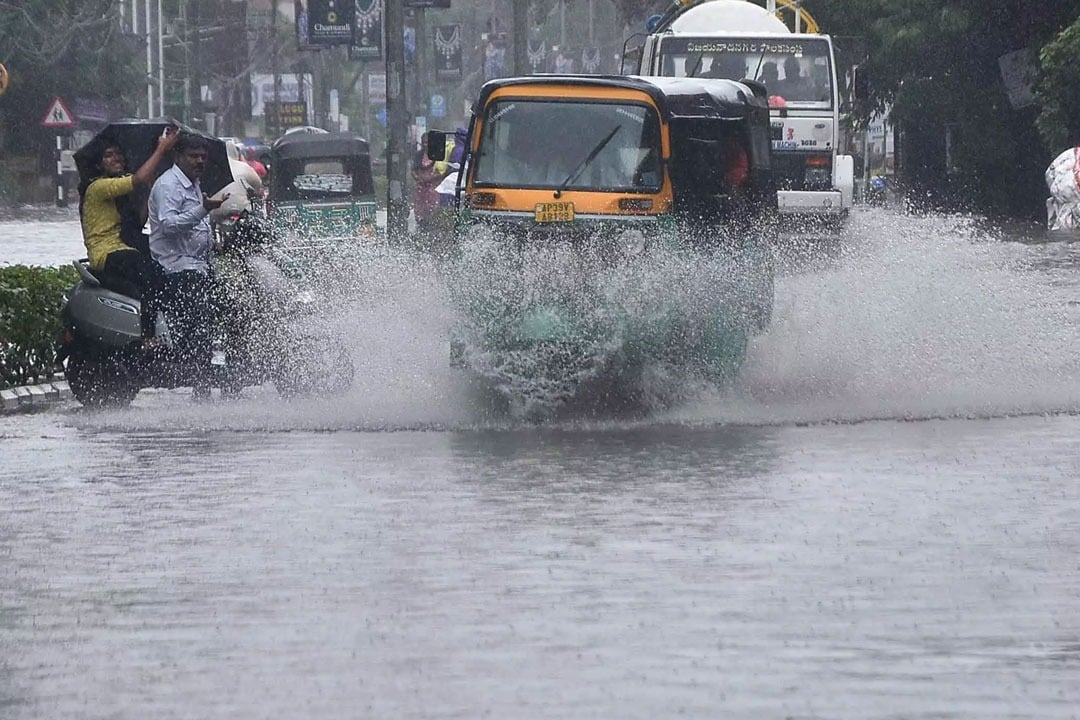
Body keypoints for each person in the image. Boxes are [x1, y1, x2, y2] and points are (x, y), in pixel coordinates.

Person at [78, 126, 179, 347]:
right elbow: (138, 179)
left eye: (118, 153)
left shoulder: (117, 192)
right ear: (99, 163)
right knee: (152, 276)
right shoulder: (98, 187)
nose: (116, 158)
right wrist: (161, 149)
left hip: (124, 247)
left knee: (168, 267)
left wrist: (149, 195)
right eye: (108, 155)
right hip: (108, 252)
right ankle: (148, 337)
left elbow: (138, 223)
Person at [148, 132, 228, 400]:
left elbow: (196, 225)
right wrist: (203, 210)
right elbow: (169, 226)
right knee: (200, 324)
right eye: (193, 156)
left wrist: (213, 243)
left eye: (203, 157)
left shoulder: (194, 183)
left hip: (198, 264)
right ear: (178, 156)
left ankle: (227, 373)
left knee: (232, 304)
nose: (199, 161)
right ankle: (201, 385)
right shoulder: (168, 185)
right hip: (176, 268)